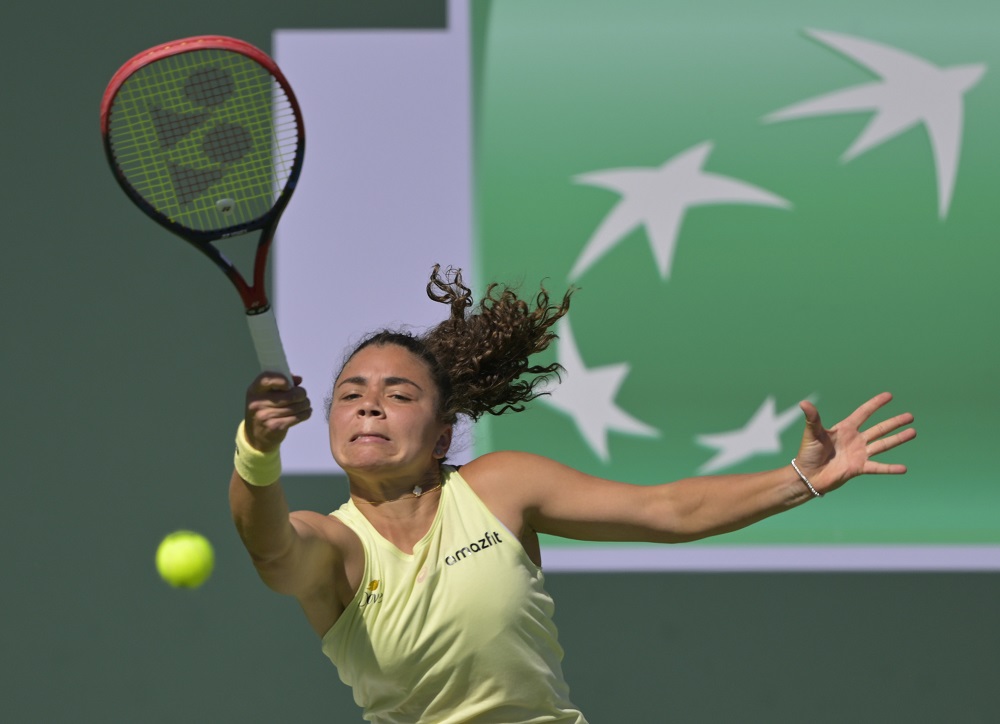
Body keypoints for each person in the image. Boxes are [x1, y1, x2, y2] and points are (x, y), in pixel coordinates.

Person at [229, 265, 916, 723]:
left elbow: (665, 510)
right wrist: (256, 452)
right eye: (351, 394)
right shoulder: (335, 545)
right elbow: (270, 550)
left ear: (441, 435)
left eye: (397, 394)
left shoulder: (500, 487)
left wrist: (800, 479)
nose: (369, 406)